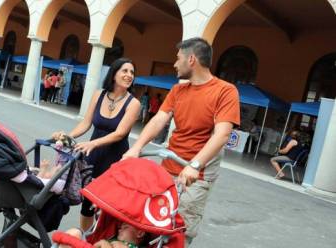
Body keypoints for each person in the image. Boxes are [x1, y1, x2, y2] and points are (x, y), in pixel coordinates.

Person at [122, 37, 240, 246]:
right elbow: (159, 119)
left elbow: (222, 134)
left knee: (180, 229)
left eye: (178, 59)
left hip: (197, 173)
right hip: (168, 166)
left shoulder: (225, 90)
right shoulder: (178, 90)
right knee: (152, 220)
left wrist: (195, 164)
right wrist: (136, 148)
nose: (175, 64)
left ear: (191, 59)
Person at [52, 58, 140, 231]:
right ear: (114, 74)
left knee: (106, 206)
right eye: (125, 71)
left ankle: (100, 238)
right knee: (88, 204)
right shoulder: (98, 95)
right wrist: (67, 136)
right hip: (93, 157)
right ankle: (86, 239)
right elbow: (86, 123)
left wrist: (93, 143)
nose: (129, 75)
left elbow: (120, 133)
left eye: (132, 72)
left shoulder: (134, 103)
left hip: (115, 160)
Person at [59, 222, 147, 248]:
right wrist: (103, 243)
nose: (120, 229)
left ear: (140, 233)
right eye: (120, 227)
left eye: (125, 227)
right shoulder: (112, 240)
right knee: (75, 232)